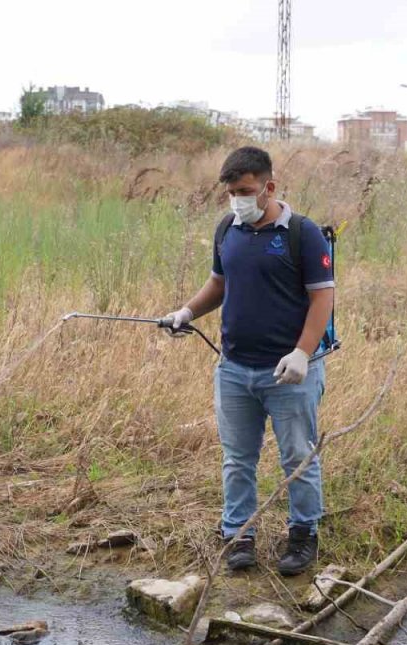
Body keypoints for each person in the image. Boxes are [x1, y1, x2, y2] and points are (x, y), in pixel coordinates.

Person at [162, 146, 334, 576]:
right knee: (238, 457)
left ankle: (303, 535)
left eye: (245, 191)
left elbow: (323, 297)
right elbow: (219, 283)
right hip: (235, 368)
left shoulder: (302, 233)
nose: (237, 199)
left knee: (298, 455)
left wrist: (303, 352)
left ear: (268, 187)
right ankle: (238, 535)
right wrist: (186, 312)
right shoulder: (228, 230)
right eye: (231, 192)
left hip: (290, 372)